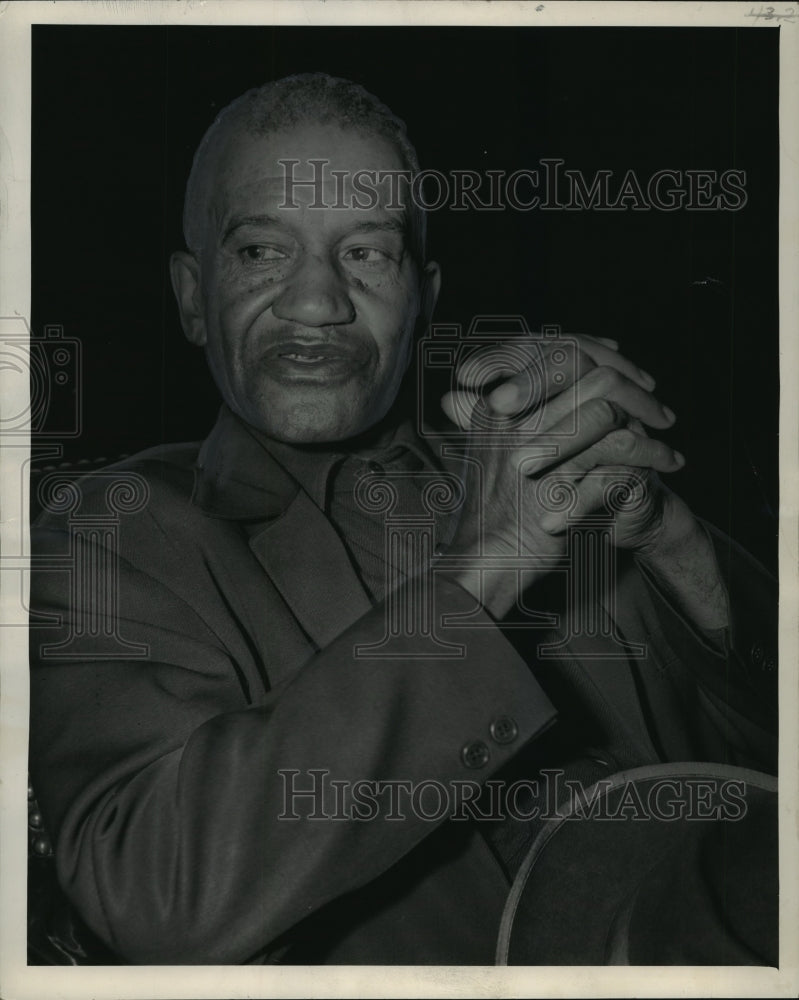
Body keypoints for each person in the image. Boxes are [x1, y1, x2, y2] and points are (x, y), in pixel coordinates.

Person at [28, 73, 777, 966]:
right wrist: (478, 572)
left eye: (366, 254)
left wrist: (674, 544)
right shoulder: (110, 531)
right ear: (192, 297)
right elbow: (151, 894)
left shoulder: (545, 484)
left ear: (422, 295)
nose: (317, 302)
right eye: (263, 251)